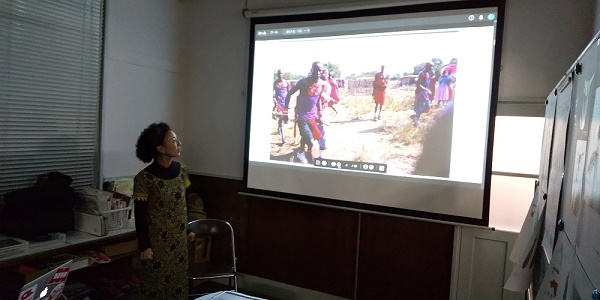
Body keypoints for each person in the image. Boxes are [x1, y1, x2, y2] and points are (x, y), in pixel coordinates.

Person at [133, 122, 194, 299]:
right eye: (174, 140)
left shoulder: (181, 171)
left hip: (180, 242)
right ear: (160, 148)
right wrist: (144, 246)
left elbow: (185, 204)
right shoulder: (145, 178)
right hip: (157, 245)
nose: (179, 144)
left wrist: (188, 229)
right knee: (156, 287)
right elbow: (140, 215)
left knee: (179, 285)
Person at [284, 61, 331, 163]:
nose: (318, 73)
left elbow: (317, 99)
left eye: (320, 71)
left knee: (305, 138)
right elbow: (289, 94)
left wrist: (320, 112)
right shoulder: (303, 82)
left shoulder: (321, 85)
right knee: (311, 143)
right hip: (302, 117)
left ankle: (300, 152)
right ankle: (311, 164)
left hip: (313, 117)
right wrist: (285, 112)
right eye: (316, 70)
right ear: (312, 70)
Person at [410, 62, 433, 127]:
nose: (432, 68)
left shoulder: (428, 74)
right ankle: (416, 120)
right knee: (421, 107)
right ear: (427, 66)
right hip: (420, 92)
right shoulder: (422, 74)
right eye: (431, 66)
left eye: (432, 67)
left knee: (427, 107)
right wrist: (426, 90)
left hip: (424, 92)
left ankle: (415, 116)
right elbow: (418, 84)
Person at [273, 69, 290, 144]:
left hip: (285, 104)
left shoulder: (287, 83)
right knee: (281, 119)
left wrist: (288, 103)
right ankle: (283, 138)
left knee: (285, 119)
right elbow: (272, 94)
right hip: (279, 104)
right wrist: (275, 100)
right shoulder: (275, 83)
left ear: (283, 74)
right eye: (279, 74)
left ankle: (279, 128)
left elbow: (289, 94)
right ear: (277, 74)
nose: (280, 75)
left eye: (282, 74)